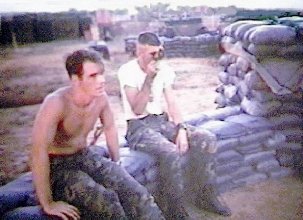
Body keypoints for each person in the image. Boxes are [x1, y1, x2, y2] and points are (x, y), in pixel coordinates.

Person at [31, 49, 164, 220]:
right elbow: (38, 152)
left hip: (84, 155)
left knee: (137, 192)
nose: (101, 80)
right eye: (93, 76)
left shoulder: (100, 98)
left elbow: (109, 128)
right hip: (58, 166)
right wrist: (47, 203)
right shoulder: (56, 103)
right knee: (108, 203)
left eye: (101, 74)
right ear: (75, 79)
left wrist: (116, 162)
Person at [118, 32, 232, 218]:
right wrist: (148, 79)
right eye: (151, 54)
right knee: (171, 152)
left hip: (160, 120)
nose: (156, 58)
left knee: (206, 139)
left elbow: (172, 102)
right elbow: (137, 109)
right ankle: (174, 209)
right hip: (138, 126)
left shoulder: (164, 69)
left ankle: (205, 195)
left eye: (158, 53)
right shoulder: (127, 71)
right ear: (139, 52)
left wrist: (181, 129)